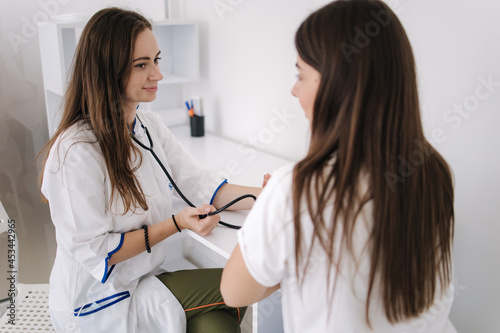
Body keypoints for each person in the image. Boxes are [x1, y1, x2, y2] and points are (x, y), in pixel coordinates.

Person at [221, 1, 456, 332]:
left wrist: (276, 229)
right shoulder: (433, 170)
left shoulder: (296, 187)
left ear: (338, 83)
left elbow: (234, 292)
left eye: (300, 75)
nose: (294, 89)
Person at [39, 7, 263, 333]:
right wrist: (176, 224)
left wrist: (271, 195)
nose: (157, 75)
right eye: (141, 65)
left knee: (219, 321)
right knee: (243, 282)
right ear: (107, 72)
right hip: (97, 302)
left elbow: (200, 183)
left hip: (143, 280)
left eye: (156, 60)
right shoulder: (76, 152)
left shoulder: (147, 127)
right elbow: (98, 252)